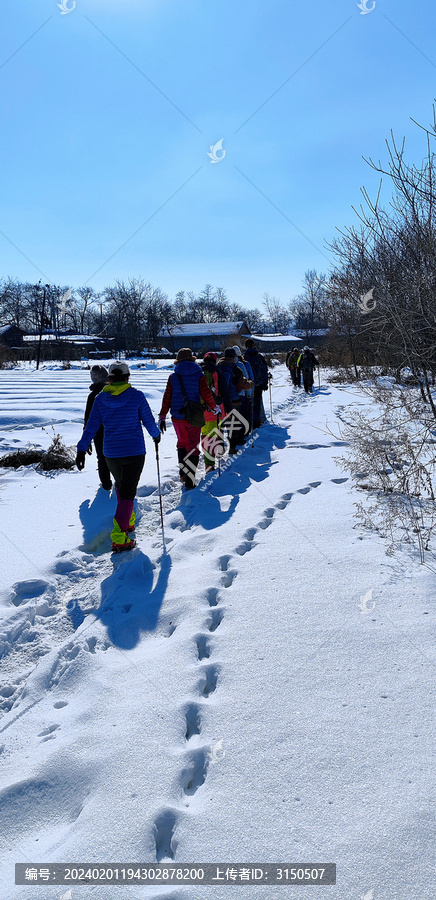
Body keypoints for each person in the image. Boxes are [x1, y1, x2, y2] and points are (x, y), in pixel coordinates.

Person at [76, 361, 160, 553]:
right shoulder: (136, 396)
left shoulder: (100, 399)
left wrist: (81, 449)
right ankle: (120, 537)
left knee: (123, 487)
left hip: (111, 454)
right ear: (127, 377)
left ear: (110, 378)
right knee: (128, 491)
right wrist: (156, 435)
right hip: (134, 452)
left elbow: (91, 427)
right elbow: (148, 421)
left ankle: (128, 519)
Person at [159, 348, 220, 489]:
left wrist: (162, 416)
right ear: (192, 359)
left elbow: (167, 398)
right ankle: (190, 480)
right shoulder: (198, 375)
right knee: (192, 446)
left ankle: (183, 474)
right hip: (194, 416)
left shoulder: (173, 377)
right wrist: (214, 407)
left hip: (177, 416)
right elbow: (206, 394)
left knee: (181, 443)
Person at [217, 348, 253, 454]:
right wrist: (251, 383)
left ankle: (220, 447)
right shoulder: (236, 369)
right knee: (232, 425)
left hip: (220, 402)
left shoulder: (217, 367)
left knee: (220, 425)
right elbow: (244, 385)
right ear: (234, 356)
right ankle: (232, 448)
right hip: (234, 401)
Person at [200, 352, 231, 473]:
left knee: (205, 435)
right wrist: (227, 409)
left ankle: (207, 459)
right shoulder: (217, 372)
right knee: (214, 436)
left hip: (201, 410)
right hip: (215, 410)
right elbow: (225, 392)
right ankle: (209, 463)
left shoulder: (198, 372)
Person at [83, 364, 112, 491]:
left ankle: (106, 485)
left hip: (99, 433)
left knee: (102, 458)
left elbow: (87, 420)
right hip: (115, 430)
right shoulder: (114, 392)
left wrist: (86, 440)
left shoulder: (93, 396)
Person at [244, 339, 269, 428]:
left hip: (248, 384)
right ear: (254, 345)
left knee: (249, 404)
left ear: (246, 346)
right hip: (258, 383)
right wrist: (265, 382)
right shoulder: (259, 357)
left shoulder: (244, 357)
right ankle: (258, 421)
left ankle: (250, 422)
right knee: (258, 402)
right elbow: (264, 370)